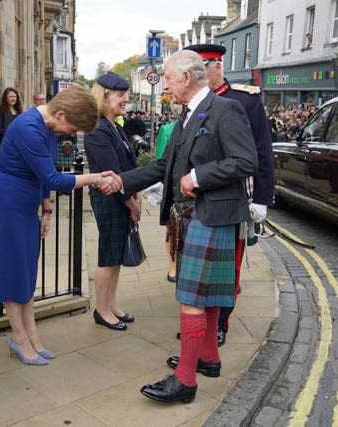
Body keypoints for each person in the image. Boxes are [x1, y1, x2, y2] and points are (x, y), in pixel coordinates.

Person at [103, 50, 257, 403]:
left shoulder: (225, 110)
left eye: (169, 81)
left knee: (191, 297)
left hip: (213, 213)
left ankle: (185, 380)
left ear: (187, 78)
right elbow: (162, 165)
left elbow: (247, 160)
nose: (167, 87)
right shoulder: (188, 115)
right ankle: (208, 358)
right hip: (194, 214)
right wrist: (120, 180)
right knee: (208, 294)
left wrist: (199, 176)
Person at [0, 85, 113, 365]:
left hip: (23, 205)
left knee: (26, 270)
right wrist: (95, 177)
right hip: (7, 205)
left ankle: (32, 335)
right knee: (13, 272)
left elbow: (41, 175)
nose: (70, 134)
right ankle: (20, 338)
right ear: (60, 113)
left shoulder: (47, 125)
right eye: (72, 128)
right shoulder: (28, 127)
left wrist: (46, 209)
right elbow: (54, 178)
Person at [184, 44, 275, 348]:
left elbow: (262, 150)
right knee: (196, 267)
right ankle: (200, 323)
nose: (194, 74)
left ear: (216, 66)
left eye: (199, 67)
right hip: (196, 197)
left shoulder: (243, 101)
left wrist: (262, 197)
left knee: (226, 268)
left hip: (233, 195)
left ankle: (220, 323)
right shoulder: (192, 101)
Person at [83, 72, 140, 331]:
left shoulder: (113, 125)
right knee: (108, 256)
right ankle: (102, 310)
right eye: (120, 95)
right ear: (103, 98)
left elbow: (127, 166)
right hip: (109, 199)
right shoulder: (97, 129)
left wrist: (135, 195)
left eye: (125, 95)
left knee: (116, 255)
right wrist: (133, 205)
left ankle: (112, 304)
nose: (125, 99)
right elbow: (112, 174)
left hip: (122, 197)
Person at [154, 119, 178, 282]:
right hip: (172, 187)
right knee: (172, 229)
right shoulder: (167, 129)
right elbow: (160, 160)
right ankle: (173, 267)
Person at [0, 87, 23, 153]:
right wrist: (14, 132)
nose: (13, 99)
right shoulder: (0, 110)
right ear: (6, 98)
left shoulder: (18, 111)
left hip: (15, 144)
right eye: (10, 97)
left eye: (15, 97)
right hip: (3, 144)